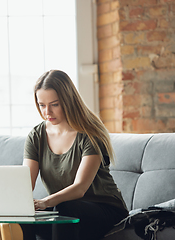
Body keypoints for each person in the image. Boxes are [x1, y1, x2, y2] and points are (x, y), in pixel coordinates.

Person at [22, 70, 128, 240]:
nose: (47, 112)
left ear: (68, 101)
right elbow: (25, 183)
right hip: (63, 207)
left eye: (54, 104)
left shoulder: (90, 135)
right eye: (42, 105)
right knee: (24, 215)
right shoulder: (36, 135)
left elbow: (80, 188)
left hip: (105, 209)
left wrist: (46, 202)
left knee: (65, 210)